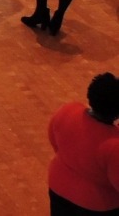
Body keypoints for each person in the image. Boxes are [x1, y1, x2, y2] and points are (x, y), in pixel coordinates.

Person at [44, 72, 119, 214]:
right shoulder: (114, 144)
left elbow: (54, 142)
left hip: (58, 186)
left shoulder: (67, 111)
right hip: (95, 204)